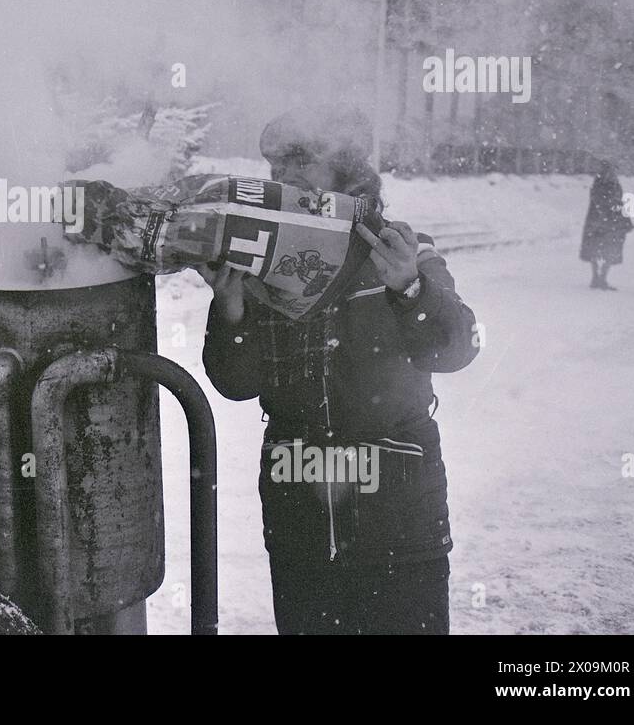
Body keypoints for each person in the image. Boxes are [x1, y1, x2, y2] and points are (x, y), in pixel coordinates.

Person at [198, 104, 480, 634]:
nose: (283, 175)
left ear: (347, 169)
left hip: (398, 519)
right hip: (299, 516)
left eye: (300, 159)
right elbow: (236, 384)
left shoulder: (403, 247)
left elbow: (457, 348)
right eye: (275, 164)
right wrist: (231, 309)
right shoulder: (264, 263)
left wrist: (409, 289)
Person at [580, 159, 633, 291]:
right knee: (601, 250)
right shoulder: (602, 185)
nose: (612, 173)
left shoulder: (608, 185)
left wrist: (626, 220)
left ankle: (600, 278)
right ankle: (598, 278)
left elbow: (620, 203)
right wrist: (612, 217)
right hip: (603, 224)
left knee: (603, 250)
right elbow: (604, 204)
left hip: (603, 223)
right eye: (611, 170)